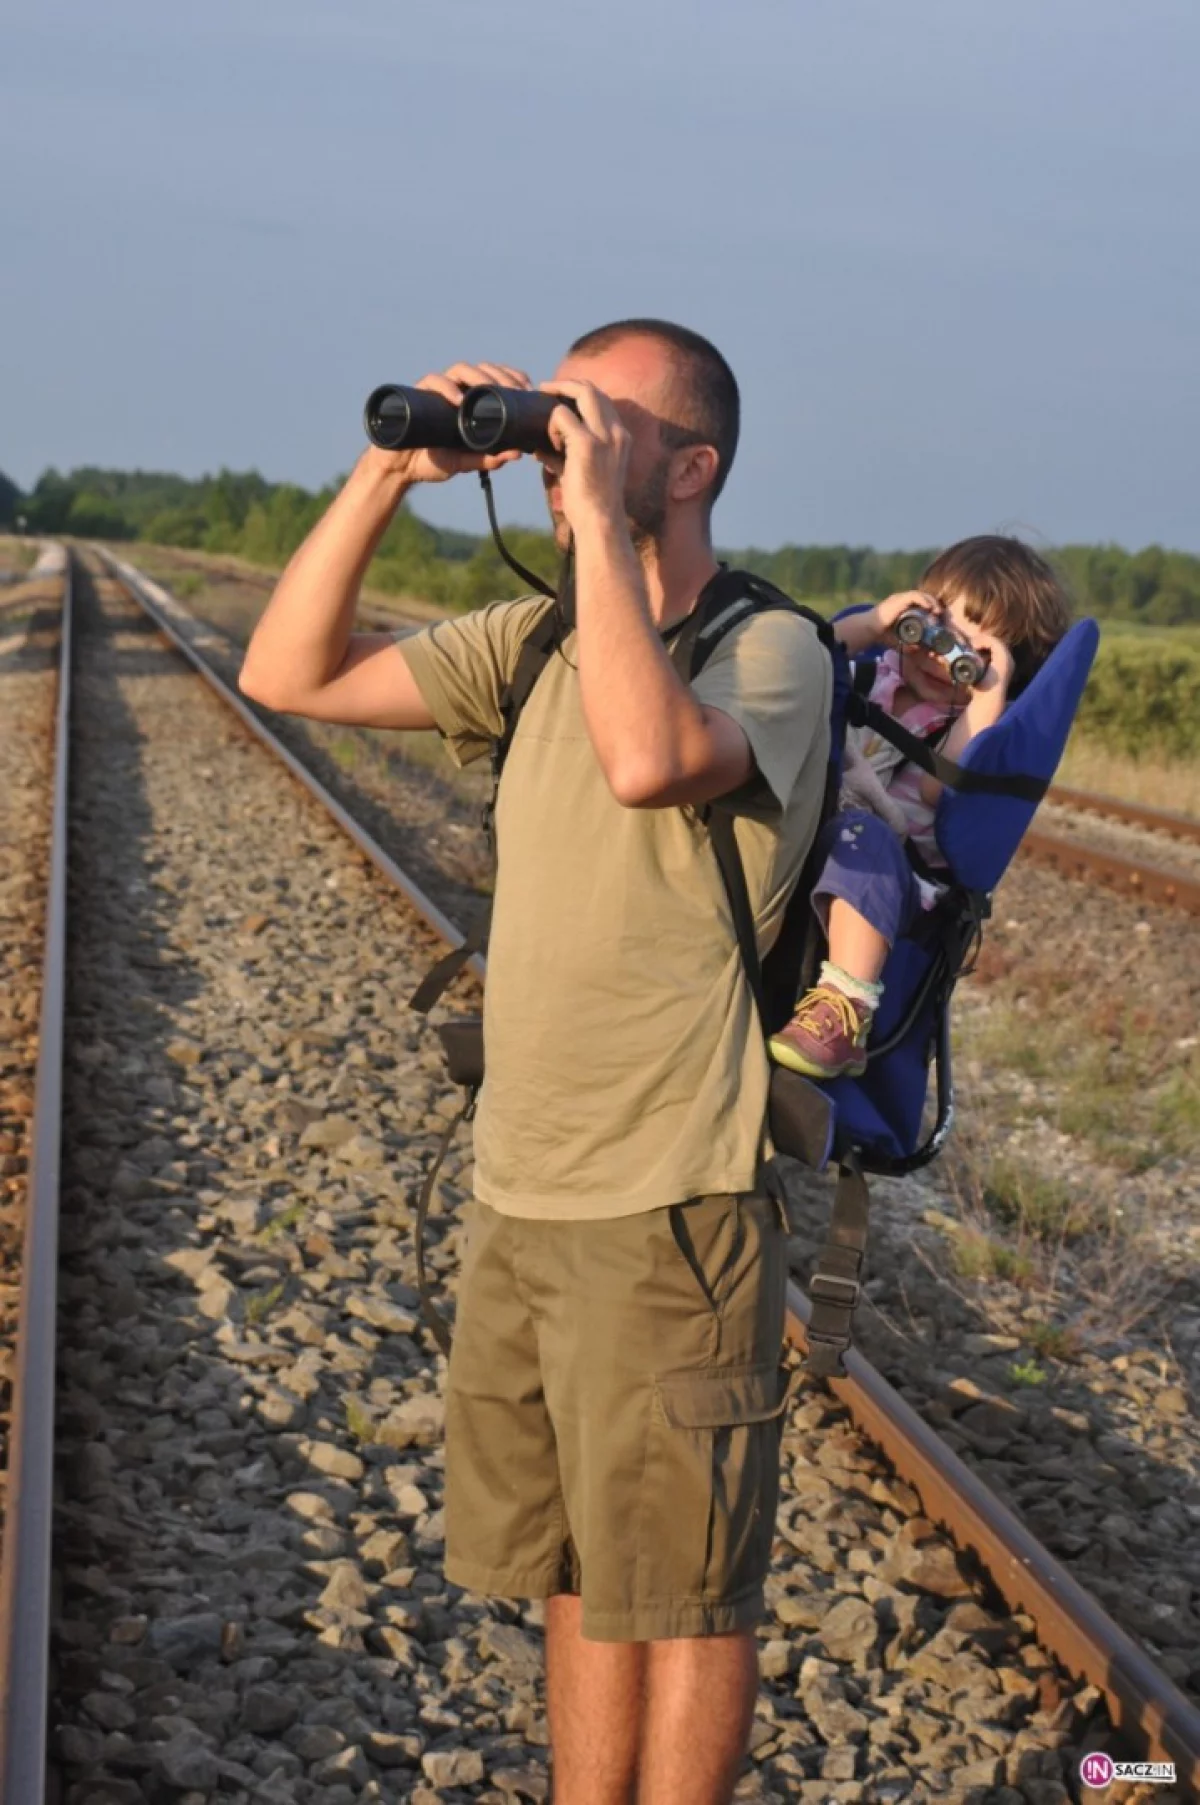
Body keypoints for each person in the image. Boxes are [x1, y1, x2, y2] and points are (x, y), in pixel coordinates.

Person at [238, 320, 832, 1805]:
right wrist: (387, 472)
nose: (565, 428)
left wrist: (595, 536)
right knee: (576, 1560)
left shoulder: (769, 650)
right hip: (527, 1182)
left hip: (669, 1196)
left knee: (686, 1587)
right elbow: (286, 670)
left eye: (604, 415)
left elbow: (646, 758)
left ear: (691, 465)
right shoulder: (542, 640)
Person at [769, 535, 1072, 1080]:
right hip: (812, 832)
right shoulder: (871, 673)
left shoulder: (961, 726)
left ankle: (844, 1008)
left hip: (889, 868)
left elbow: (942, 786)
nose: (941, 658)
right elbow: (804, 660)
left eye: (970, 657)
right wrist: (870, 626)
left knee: (863, 838)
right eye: (935, 632)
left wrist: (985, 697)